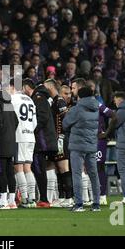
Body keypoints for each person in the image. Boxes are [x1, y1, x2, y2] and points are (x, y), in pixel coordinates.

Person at [62, 87, 101, 212]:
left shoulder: (77, 109)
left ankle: (79, 204)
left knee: (77, 174)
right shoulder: (96, 108)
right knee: (94, 174)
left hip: (77, 146)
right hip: (91, 144)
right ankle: (96, 204)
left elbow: (65, 123)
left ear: (80, 96)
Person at [23, 79, 57, 208]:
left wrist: (32, 130)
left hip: (42, 141)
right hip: (47, 139)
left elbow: (42, 117)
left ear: (26, 87)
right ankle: (47, 197)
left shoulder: (38, 97)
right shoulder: (43, 96)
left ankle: (44, 199)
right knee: (46, 168)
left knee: (39, 169)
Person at [43, 79, 74, 207]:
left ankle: (69, 198)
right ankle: (62, 197)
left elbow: (66, 118)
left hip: (61, 138)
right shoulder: (55, 101)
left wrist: (62, 135)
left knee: (64, 168)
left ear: (50, 86)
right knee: (59, 169)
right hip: (57, 138)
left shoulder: (59, 100)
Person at [9, 79, 37, 208]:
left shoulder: (12, 99)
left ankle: (25, 199)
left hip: (19, 136)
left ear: (12, 87)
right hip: (30, 136)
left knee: (18, 167)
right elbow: (35, 122)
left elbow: (9, 120)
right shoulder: (30, 100)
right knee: (28, 167)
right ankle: (32, 198)